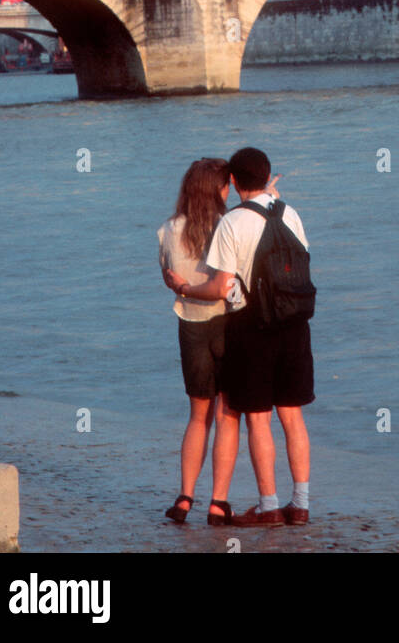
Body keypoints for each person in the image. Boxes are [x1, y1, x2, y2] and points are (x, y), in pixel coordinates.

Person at [173, 148, 314, 528]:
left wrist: (185, 289)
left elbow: (222, 286)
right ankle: (300, 504)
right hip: (296, 325)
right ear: (268, 176)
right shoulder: (292, 213)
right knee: (293, 417)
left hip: (254, 329)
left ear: (233, 181)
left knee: (258, 419)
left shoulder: (232, 221)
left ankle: (268, 507)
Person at [157, 158, 234, 524]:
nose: (229, 190)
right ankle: (218, 503)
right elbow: (231, 282)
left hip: (189, 324)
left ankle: (185, 497)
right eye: (225, 184)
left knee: (197, 415)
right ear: (217, 190)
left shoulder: (169, 229)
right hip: (226, 323)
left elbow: (167, 276)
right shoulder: (227, 225)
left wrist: (184, 287)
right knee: (226, 414)